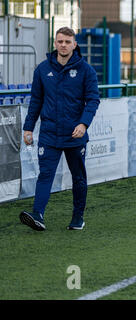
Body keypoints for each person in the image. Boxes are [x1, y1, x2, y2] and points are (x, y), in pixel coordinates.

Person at [20, 27, 100, 231]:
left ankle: (78, 217)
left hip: (75, 135)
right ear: (55, 43)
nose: (63, 45)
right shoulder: (42, 69)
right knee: (45, 175)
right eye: (60, 41)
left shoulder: (86, 70)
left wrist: (83, 124)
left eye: (67, 41)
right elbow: (36, 101)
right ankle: (37, 214)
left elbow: (92, 100)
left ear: (75, 44)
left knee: (78, 177)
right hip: (49, 134)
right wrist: (28, 128)